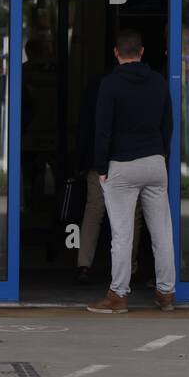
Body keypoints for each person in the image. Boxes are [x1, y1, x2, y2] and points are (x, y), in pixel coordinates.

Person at [88, 29, 176, 313]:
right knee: (162, 231)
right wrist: (162, 155)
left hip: (122, 165)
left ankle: (118, 296)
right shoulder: (159, 82)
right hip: (154, 162)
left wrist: (101, 166)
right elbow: (167, 125)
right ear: (141, 52)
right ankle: (165, 293)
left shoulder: (110, 84)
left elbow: (103, 129)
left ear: (116, 53)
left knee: (123, 234)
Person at [73, 68, 143, 284]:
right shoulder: (143, 84)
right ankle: (129, 267)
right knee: (131, 213)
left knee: (94, 208)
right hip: (130, 157)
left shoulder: (98, 85)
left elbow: (85, 124)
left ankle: (84, 264)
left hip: (99, 159)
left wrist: (80, 159)